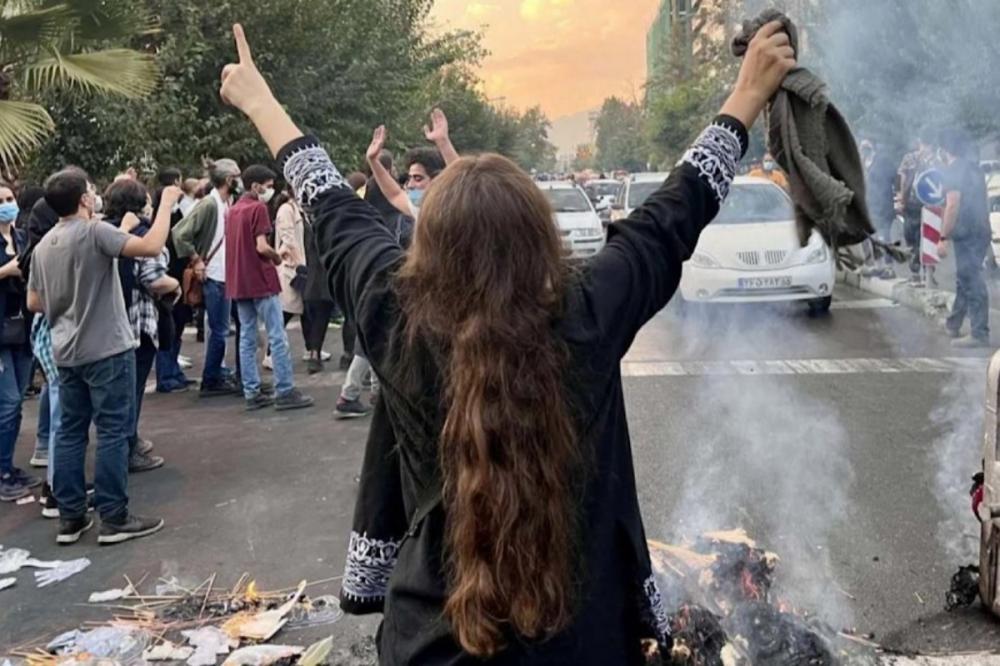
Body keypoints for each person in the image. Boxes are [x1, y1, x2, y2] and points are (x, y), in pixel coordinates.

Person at [220, 19, 791, 663]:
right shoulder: (587, 312)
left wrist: (260, 102)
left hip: (428, 642)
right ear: (540, 237)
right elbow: (673, 215)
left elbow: (332, 207)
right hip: (585, 642)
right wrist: (748, 94)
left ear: (428, 247)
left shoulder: (395, 312)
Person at [27, 167, 174, 545]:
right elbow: (151, 247)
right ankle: (114, 516)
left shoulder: (44, 245)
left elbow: (34, 302)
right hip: (107, 347)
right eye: (90, 190)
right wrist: (166, 205)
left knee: (70, 432)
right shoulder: (94, 232)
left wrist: (69, 298)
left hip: (66, 351)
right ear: (83, 199)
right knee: (112, 431)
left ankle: (71, 517)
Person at [104, 179, 179, 473]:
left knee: (119, 394)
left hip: (108, 322)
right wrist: (174, 284)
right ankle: (127, 449)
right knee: (130, 392)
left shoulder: (101, 231)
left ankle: (130, 441)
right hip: (137, 323)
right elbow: (154, 279)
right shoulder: (144, 235)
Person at [225, 164, 314, 411]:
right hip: (261, 279)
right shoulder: (258, 208)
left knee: (247, 336)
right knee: (277, 335)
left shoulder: (233, 211)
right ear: (256, 186)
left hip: (239, 280)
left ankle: (251, 391)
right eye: (268, 186)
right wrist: (276, 257)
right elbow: (262, 246)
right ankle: (285, 389)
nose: (270, 190)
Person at [173, 158, 242, 397]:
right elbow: (180, 233)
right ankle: (211, 378)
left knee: (223, 328)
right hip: (214, 275)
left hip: (224, 274)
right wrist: (196, 259)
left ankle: (216, 373)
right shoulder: (210, 205)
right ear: (229, 179)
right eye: (237, 176)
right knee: (219, 330)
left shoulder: (224, 203)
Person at [0, 185, 40, 501]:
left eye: (9, 199)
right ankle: (2, 471)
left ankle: (8, 465)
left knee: (16, 406)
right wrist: (6, 271)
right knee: (9, 402)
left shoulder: (23, 237)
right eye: (0, 201)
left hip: (22, 330)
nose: (6, 205)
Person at [938, 130, 992, 348]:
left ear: (945, 150)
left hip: (967, 234)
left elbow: (952, 205)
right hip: (981, 231)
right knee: (965, 278)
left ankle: (979, 333)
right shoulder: (974, 169)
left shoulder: (953, 171)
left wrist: (943, 237)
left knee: (972, 280)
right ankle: (953, 323)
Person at [898, 133, 941, 281]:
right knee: (926, 237)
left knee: (915, 238)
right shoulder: (935, 159)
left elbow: (903, 181)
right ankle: (926, 272)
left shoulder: (911, 158)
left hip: (917, 203)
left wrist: (902, 200)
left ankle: (919, 272)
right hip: (926, 203)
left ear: (919, 141)